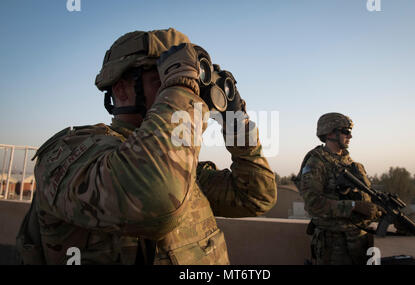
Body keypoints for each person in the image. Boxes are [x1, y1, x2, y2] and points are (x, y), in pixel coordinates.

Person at [17, 28, 276, 265]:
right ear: (122, 91)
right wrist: (182, 85)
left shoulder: (183, 170)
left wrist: (236, 123)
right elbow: (156, 199)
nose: (189, 92)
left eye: (189, 82)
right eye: (162, 80)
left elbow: (256, 196)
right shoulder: (70, 154)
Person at [293, 112, 381, 265]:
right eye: (345, 132)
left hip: (359, 242)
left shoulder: (350, 163)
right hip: (334, 246)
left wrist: (380, 209)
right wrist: (354, 207)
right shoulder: (316, 163)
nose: (350, 136)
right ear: (329, 133)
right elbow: (313, 205)